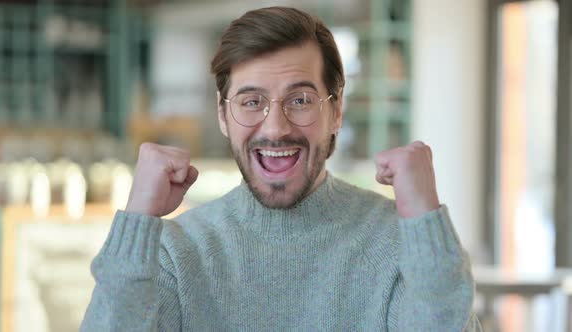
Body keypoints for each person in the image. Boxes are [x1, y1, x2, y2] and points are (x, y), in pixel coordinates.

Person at [81, 6, 480, 331]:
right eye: (251, 101)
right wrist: (136, 222)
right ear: (223, 115)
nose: (275, 128)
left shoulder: (397, 244)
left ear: (336, 110)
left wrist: (425, 222)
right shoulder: (175, 254)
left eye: (301, 100)